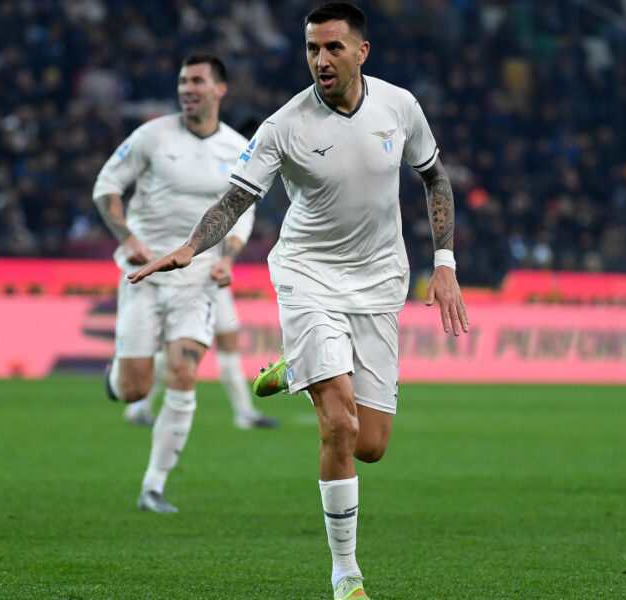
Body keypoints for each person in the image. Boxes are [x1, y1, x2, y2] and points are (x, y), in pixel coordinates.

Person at [128, 3, 469, 598]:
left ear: (362, 51)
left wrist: (445, 265)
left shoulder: (400, 106)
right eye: (312, 48)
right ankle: (347, 573)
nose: (320, 60)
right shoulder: (283, 125)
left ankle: (296, 370)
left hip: (379, 280)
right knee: (339, 427)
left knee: (371, 446)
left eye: (333, 48)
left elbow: (434, 178)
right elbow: (234, 200)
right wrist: (191, 246)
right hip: (308, 277)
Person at [93, 53, 257, 514]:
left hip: (198, 279)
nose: (188, 88)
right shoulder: (150, 136)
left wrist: (227, 257)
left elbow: (244, 210)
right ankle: (117, 376)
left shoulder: (237, 148)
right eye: (183, 81)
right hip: (144, 274)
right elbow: (106, 186)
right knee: (135, 390)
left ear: (219, 89)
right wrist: (127, 237)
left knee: (185, 372)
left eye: (198, 81)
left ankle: (153, 486)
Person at [123, 283, 282, 430]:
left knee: (229, 343)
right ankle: (140, 406)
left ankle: (245, 413)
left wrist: (226, 261)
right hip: (186, 285)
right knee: (170, 348)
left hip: (215, 285)